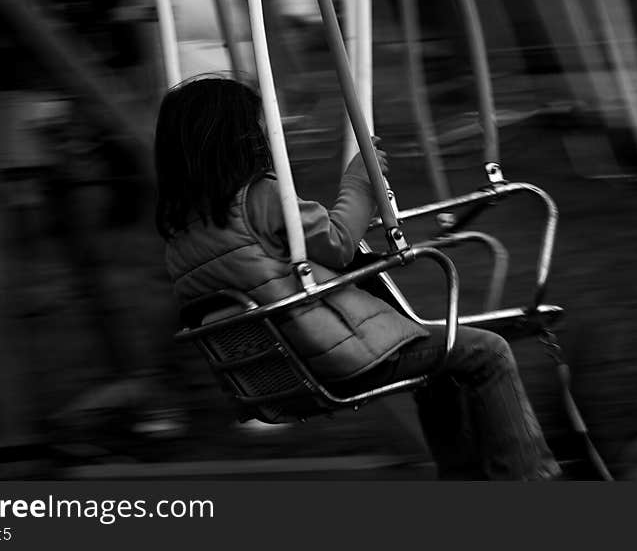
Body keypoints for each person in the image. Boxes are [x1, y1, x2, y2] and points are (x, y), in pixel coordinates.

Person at [154, 76, 561, 480]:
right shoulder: (261, 196)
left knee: (440, 373)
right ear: (240, 136)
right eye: (261, 127)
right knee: (487, 351)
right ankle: (530, 478)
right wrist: (359, 182)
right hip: (334, 355)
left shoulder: (180, 236)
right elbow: (338, 242)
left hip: (278, 372)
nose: (267, 136)